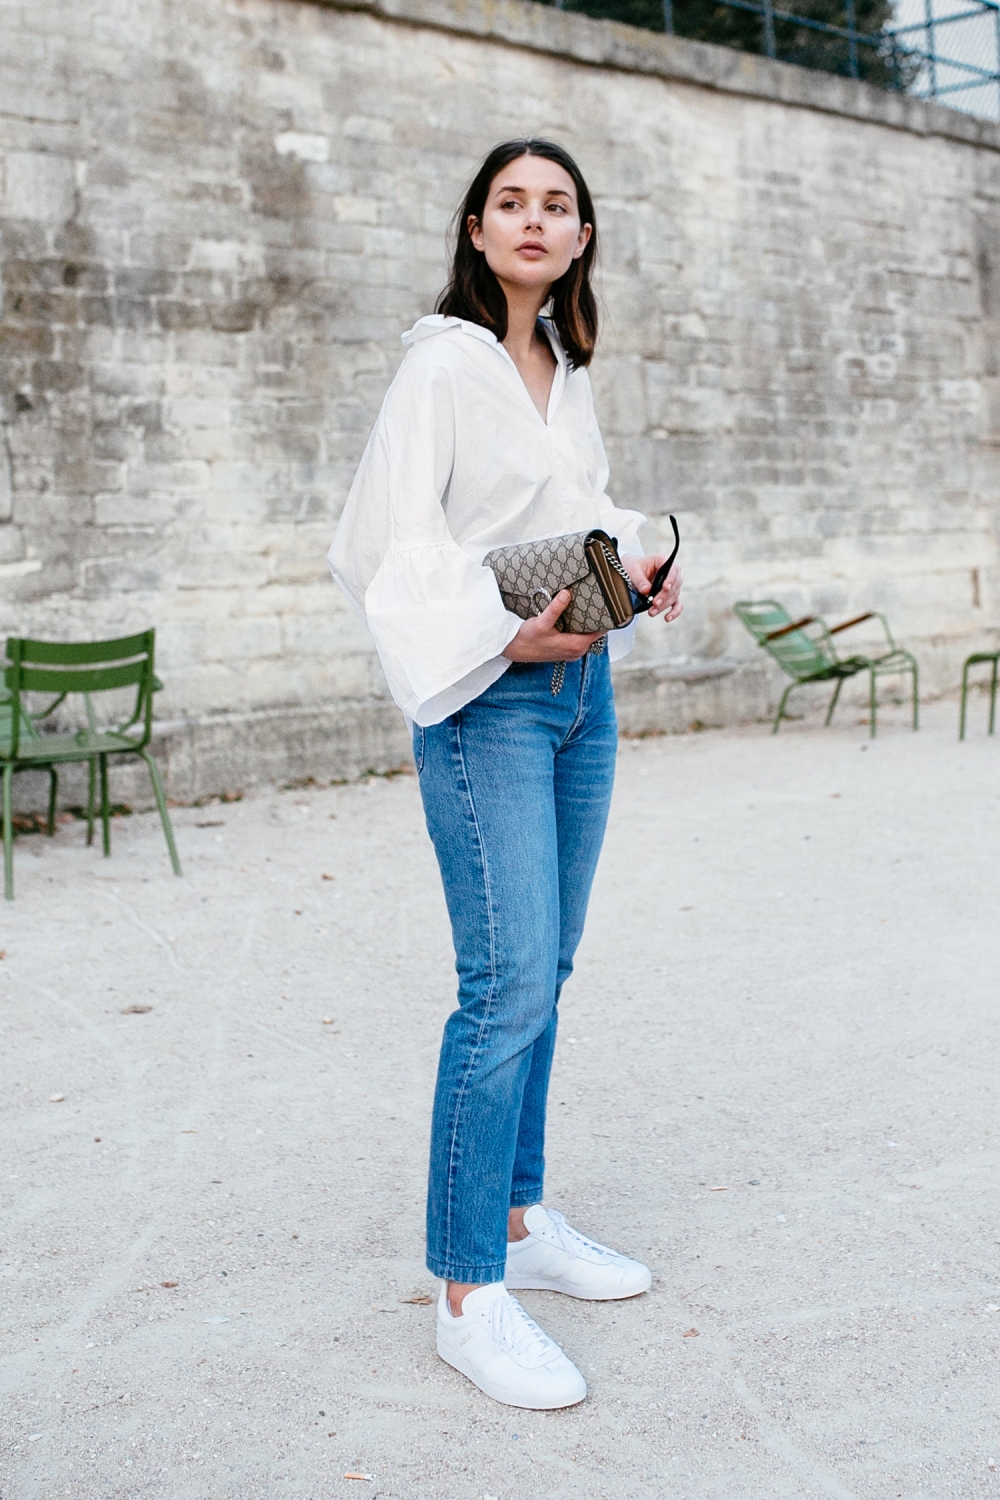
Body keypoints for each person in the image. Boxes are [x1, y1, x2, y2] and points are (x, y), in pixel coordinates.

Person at [328, 138, 682, 1410]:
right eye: (511, 203)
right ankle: (469, 1291)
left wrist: (638, 555)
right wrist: (502, 637)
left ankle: (523, 1222)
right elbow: (381, 544)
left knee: (550, 968)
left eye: (558, 206)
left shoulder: (561, 365)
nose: (535, 221)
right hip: (491, 702)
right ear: (476, 230)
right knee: (504, 985)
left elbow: (568, 502)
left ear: (581, 239)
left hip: (584, 691)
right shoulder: (442, 368)